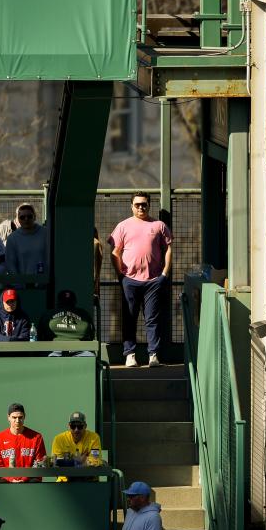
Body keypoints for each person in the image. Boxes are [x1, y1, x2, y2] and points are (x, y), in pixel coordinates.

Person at [110, 192, 173, 368]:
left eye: (144, 204)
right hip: (129, 280)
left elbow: (168, 249)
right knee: (129, 318)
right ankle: (130, 355)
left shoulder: (159, 225)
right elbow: (115, 252)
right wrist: (121, 275)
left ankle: (153, 355)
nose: (140, 207)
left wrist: (164, 274)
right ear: (131, 206)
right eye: (137, 204)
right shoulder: (123, 226)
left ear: (149, 205)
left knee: (152, 318)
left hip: (154, 280)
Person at [0, 403, 46, 483]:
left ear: (24, 417)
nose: (17, 421)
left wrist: (23, 479)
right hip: (7, 480)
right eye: (14, 417)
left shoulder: (36, 437)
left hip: (30, 480)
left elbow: (39, 463)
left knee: (35, 481)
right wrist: (11, 479)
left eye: (20, 417)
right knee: (1, 482)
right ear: (8, 417)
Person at [50, 411, 104, 479]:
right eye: (73, 426)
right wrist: (81, 461)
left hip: (89, 480)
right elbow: (56, 464)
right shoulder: (59, 439)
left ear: (85, 426)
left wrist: (69, 461)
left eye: (80, 426)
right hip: (64, 483)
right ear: (69, 426)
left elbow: (96, 461)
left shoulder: (93, 438)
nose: (76, 430)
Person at [3, 203, 47, 274]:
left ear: (35, 217)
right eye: (22, 217)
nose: (26, 219)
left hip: (45, 281)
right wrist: (18, 283)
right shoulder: (12, 238)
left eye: (29, 216)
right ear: (18, 219)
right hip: (23, 282)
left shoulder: (46, 233)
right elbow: (10, 264)